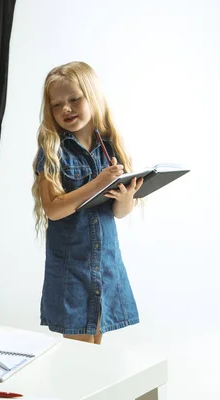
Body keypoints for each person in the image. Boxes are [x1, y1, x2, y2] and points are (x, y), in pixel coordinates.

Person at [32, 62, 142, 345]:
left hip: (104, 263)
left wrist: (126, 199)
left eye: (74, 100)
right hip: (72, 267)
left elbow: (118, 212)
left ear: (92, 97)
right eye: (57, 105)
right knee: (78, 355)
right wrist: (98, 183)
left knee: (95, 351)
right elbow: (54, 210)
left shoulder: (111, 146)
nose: (66, 109)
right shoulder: (53, 151)